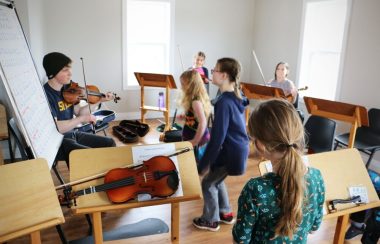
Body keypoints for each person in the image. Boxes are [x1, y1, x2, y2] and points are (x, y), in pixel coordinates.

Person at [232, 99, 325, 243]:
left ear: (261, 145)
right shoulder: (316, 177)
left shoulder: (255, 189)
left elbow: (241, 239)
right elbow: (314, 226)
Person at [193, 57, 249, 231]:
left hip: (230, 152)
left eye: (215, 70)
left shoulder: (224, 102)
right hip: (236, 150)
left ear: (224, 75)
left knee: (208, 183)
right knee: (217, 179)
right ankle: (225, 212)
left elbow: (217, 139)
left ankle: (210, 220)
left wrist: (203, 164)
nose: (212, 72)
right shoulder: (232, 96)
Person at [42, 52, 116, 163]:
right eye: (65, 70)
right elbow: (58, 128)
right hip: (58, 141)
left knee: (109, 143)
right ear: (53, 72)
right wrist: (81, 120)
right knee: (89, 156)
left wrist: (99, 100)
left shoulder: (68, 89)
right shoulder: (46, 95)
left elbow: (80, 112)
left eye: (69, 69)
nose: (70, 74)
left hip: (72, 133)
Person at [180, 69, 211, 162]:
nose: (181, 87)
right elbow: (194, 117)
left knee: (192, 162)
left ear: (191, 85)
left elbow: (203, 122)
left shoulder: (196, 102)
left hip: (196, 137)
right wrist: (185, 117)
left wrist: (195, 141)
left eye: (182, 84)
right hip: (191, 134)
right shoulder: (193, 99)